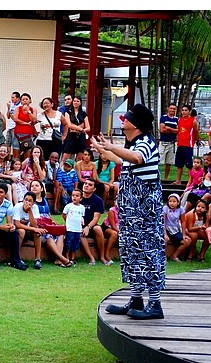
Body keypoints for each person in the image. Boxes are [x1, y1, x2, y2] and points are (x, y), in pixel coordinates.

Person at [91, 103, 166, 320]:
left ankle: (155, 303)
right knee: (132, 252)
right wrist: (103, 149)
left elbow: (137, 158)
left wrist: (110, 146)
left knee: (149, 253)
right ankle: (136, 298)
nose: (122, 121)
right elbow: (123, 160)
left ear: (137, 124)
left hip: (145, 213)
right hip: (132, 213)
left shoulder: (146, 143)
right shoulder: (134, 143)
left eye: (127, 118)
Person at [0, 183, 27, 270]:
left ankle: (15, 260)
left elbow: (9, 222)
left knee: (14, 233)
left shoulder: (8, 204)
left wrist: (11, 227)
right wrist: (3, 228)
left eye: (1, 192)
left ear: (6, 194)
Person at [78, 178, 110, 266]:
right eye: (85, 183)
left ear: (94, 189)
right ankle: (91, 258)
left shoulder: (98, 200)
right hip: (78, 225)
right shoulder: (76, 197)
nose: (86, 185)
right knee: (80, 232)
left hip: (91, 225)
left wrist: (88, 227)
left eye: (90, 185)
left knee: (98, 229)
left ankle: (102, 257)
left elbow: (96, 218)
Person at [174, 104, 198, 185]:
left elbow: (196, 132)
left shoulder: (193, 121)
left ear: (190, 111)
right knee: (179, 164)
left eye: (186, 110)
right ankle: (178, 181)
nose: (184, 112)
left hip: (189, 145)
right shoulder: (180, 120)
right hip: (180, 144)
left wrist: (196, 140)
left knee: (189, 165)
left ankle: (191, 181)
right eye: (183, 110)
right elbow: (178, 131)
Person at [62, 96, 90, 164]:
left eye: (77, 101)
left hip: (81, 137)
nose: (75, 102)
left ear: (80, 103)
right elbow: (69, 125)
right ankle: (61, 172)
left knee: (79, 158)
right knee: (65, 157)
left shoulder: (83, 114)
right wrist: (80, 128)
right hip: (71, 136)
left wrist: (82, 130)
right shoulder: (68, 113)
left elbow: (88, 128)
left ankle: (77, 173)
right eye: (74, 101)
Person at [163, 193, 190, 262]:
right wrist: (165, 234)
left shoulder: (181, 209)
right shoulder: (165, 208)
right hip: (166, 228)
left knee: (186, 242)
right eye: (170, 201)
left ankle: (174, 255)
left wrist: (183, 234)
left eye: (174, 201)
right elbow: (163, 222)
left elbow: (183, 222)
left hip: (175, 229)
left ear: (178, 202)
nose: (172, 203)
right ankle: (164, 257)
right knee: (165, 239)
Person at [12, 93, 37, 160]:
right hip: (17, 134)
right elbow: (15, 119)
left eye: (26, 99)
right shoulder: (18, 108)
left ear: (30, 101)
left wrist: (28, 111)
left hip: (28, 135)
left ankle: (25, 169)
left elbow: (34, 120)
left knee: (27, 157)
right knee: (16, 156)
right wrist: (26, 123)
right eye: (23, 99)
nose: (25, 101)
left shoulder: (33, 109)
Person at [62, 189, 85, 263]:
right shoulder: (69, 206)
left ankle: (73, 257)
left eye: (77, 196)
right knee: (68, 242)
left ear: (81, 198)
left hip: (78, 229)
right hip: (70, 228)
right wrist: (68, 221)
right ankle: (67, 257)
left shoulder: (82, 208)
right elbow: (64, 214)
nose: (74, 197)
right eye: (73, 195)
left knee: (75, 243)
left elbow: (82, 217)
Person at [159, 103, 178, 180]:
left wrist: (169, 128)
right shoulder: (163, 118)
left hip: (172, 143)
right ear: (168, 108)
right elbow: (162, 130)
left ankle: (166, 178)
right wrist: (173, 130)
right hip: (163, 142)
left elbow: (178, 130)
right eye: (171, 108)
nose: (172, 110)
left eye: (174, 109)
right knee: (159, 161)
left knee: (169, 162)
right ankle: (158, 177)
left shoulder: (176, 119)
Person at [5, 91, 22, 159]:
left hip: (16, 127)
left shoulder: (20, 106)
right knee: (8, 143)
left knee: (15, 144)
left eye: (13, 97)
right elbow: (8, 116)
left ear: (18, 98)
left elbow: (16, 118)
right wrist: (9, 108)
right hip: (10, 126)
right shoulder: (12, 105)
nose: (11, 99)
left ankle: (15, 158)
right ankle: (7, 157)